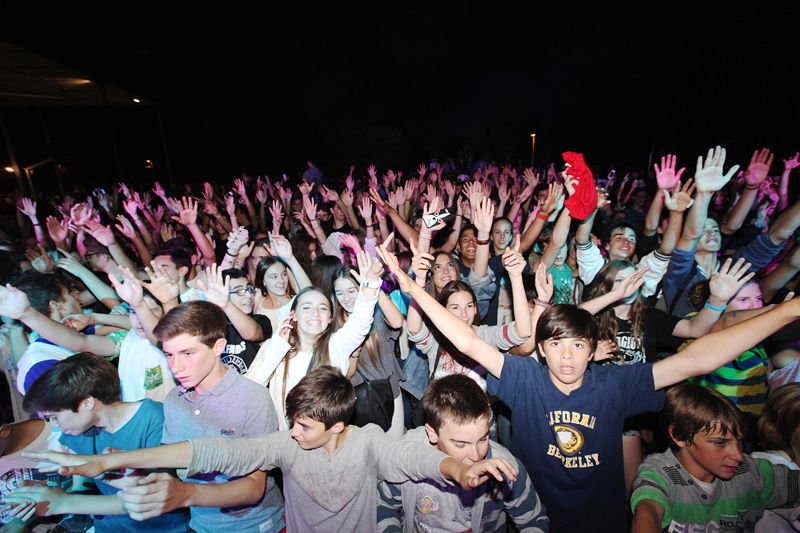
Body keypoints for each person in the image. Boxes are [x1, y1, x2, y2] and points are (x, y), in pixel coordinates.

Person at [376, 241, 800, 533]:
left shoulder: (615, 383)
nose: (567, 356)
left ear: (593, 348)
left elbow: (697, 359)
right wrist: (413, 289)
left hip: (603, 521)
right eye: (556, 345)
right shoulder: (523, 378)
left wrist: (785, 312)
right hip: (534, 519)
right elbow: (467, 341)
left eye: (578, 345)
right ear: (541, 349)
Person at [24, 366, 519, 532]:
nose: (294, 432)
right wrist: (109, 460)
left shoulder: (368, 442)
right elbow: (211, 454)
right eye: (293, 422)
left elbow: (412, 458)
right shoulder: (286, 444)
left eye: (305, 426)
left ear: (336, 425)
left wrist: (457, 468)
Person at [7, 353, 188, 533]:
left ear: (87, 403)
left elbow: (152, 495)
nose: (54, 425)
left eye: (54, 417)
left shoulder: (152, 418)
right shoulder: (79, 431)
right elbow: (84, 488)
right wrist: (46, 495)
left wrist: (65, 502)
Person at [376, 374, 549, 532]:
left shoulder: (505, 467)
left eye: (483, 439)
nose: (476, 455)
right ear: (432, 434)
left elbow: (533, 521)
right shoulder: (407, 458)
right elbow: (382, 506)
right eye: (461, 445)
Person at [630, 383, 800, 533]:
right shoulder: (661, 473)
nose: (738, 455)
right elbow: (648, 511)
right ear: (679, 436)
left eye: (739, 441)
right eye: (720, 443)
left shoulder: (750, 472)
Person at [246, 250, 382, 429]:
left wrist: (370, 284)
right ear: (293, 315)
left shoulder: (337, 344)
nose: (315, 314)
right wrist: (277, 346)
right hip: (286, 438)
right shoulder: (276, 347)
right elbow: (251, 387)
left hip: (327, 438)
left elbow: (361, 321)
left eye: (323, 308)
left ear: (330, 318)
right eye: (306, 307)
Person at [332, 265, 406, 436]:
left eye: (352, 290)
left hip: (388, 390)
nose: (346, 298)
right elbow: (342, 374)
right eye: (340, 293)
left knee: (395, 444)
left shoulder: (377, 312)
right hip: (356, 399)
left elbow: (397, 322)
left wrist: (373, 284)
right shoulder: (335, 325)